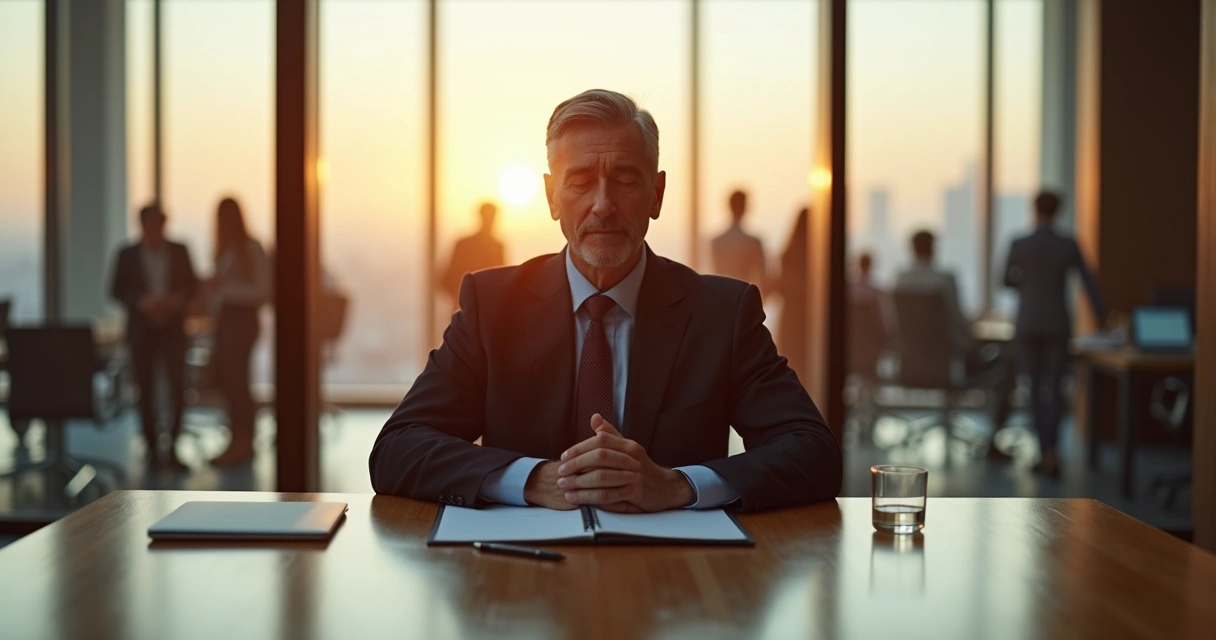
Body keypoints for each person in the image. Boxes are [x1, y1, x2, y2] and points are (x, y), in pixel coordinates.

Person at [370, 89, 841, 512]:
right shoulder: (492, 305)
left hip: (679, 571)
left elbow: (813, 452)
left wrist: (677, 485)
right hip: (520, 570)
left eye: (625, 180)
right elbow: (397, 448)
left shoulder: (721, 313)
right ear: (552, 196)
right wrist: (534, 479)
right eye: (579, 182)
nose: (602, 205)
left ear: (656, 194)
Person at [1004, 191, 1107, 477]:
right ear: (1058, 211)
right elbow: (1088, 283)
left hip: (1028, 324)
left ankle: (1042, 450)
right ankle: (1053, 452)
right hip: (1057, 325)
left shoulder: (1019, 243)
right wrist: (1103, 319)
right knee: (1057, 388)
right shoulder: (1067, 243)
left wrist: (1028, 284)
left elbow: (1005, 281)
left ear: (1034, 209)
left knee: (1035, 388)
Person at [895, 230, 1014, 459]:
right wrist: (976, 329)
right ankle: (994, 440)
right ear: (933, 249)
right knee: (1004, 360)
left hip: (912, 366)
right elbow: (958, 324)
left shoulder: (900, 280)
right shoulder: (944, 279)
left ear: (912, 249)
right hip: (950, 366)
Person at [110, 204, 199, 471]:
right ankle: (151, 449)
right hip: (142, 331)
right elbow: (115, 290)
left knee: (178, 387)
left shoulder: (179, 251)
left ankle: (172, 448)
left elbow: (192, 286)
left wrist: (175, 302)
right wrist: (141, 302)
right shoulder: (126, 254)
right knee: (145, 388)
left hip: (173, 330)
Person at [205, 197, 271, 467]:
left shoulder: (251, 248)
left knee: (238, 383)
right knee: (231, 383)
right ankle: (238, 439)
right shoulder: (226, 251)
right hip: (225, 322)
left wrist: (227, 287)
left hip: (242, 322)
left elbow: (263, 291)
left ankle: (243, 441)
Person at [441, 202, 506, 307]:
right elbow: (447, 279)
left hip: (479, 307)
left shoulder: (497, 247)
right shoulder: (464, 245)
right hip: (471, 307)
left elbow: (502, 281)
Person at [710, 190, 767, 295]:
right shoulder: (754, 243)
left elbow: (713, 273)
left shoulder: (716, 242)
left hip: (722, 295)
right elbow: (763, 277)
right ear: (745, 207)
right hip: (746, 296)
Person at [777, 208, 809, 382]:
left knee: (793, 364)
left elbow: (781, 285)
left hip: (791, 316)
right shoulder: (818, 256)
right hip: (806, 316)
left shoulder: (788, 254)